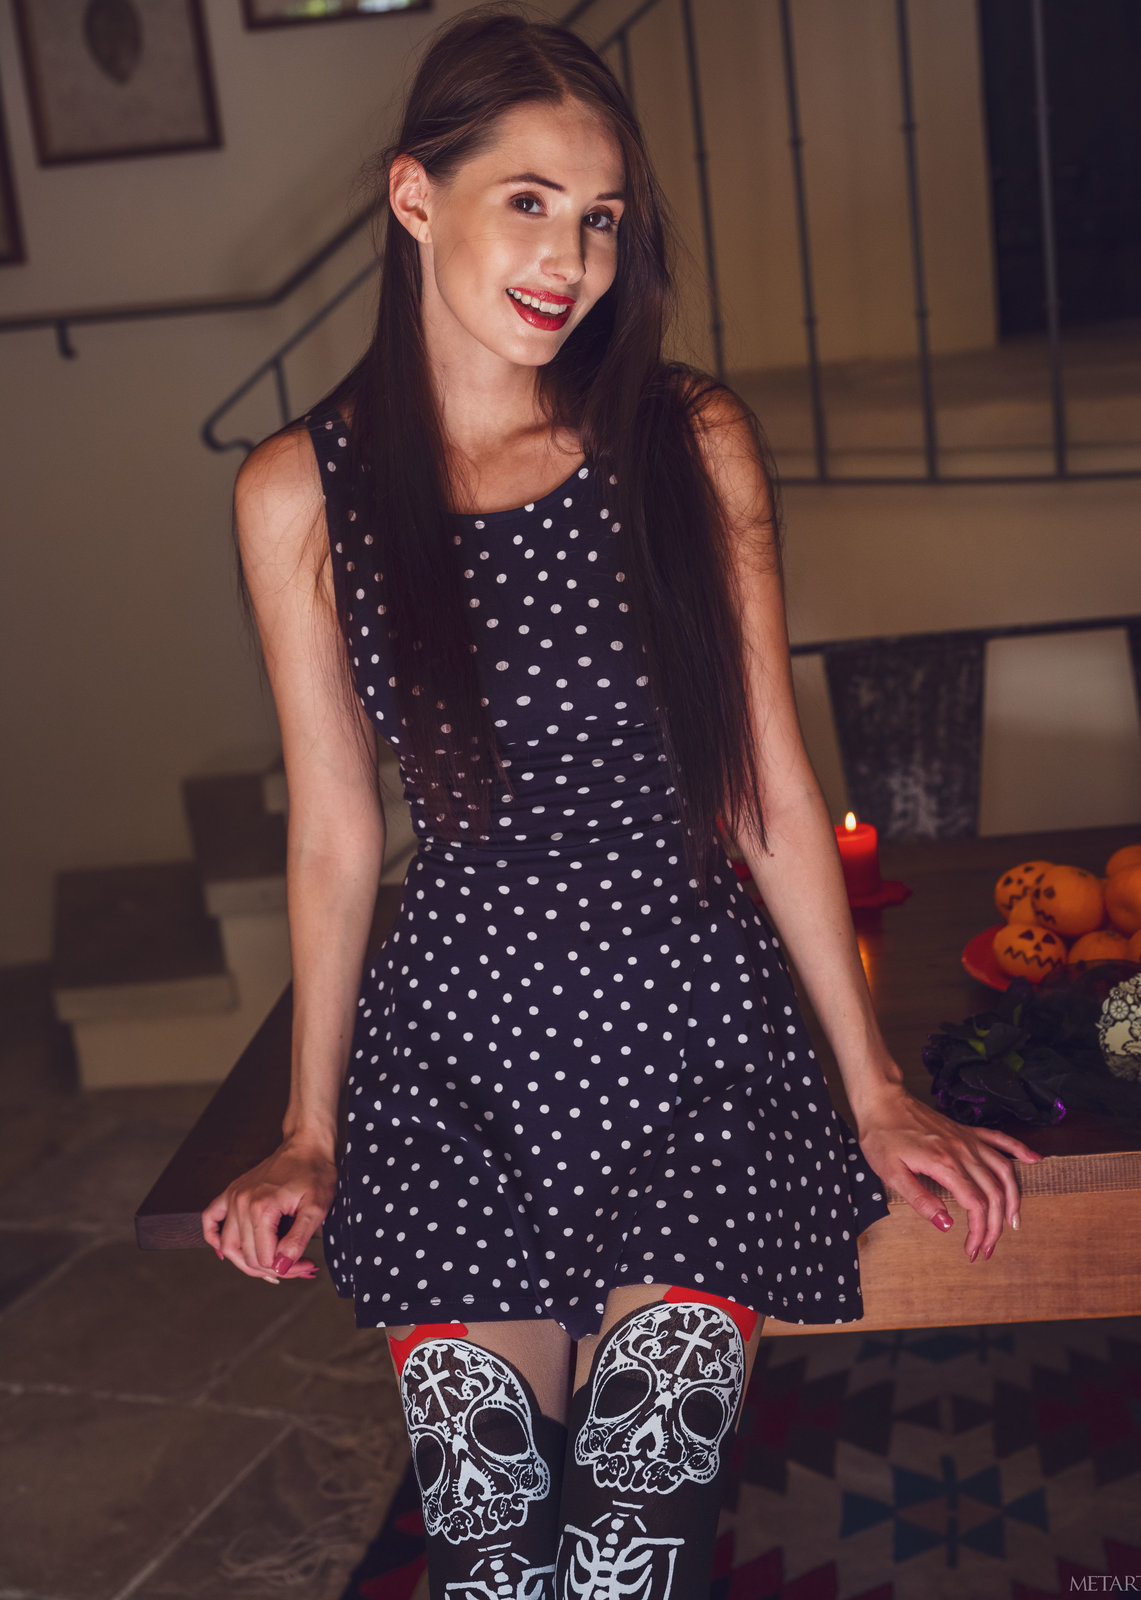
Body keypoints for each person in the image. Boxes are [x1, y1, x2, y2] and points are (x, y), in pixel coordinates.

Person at [202, 9, 1041, 1595]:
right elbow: (336, 826)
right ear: (413, 195)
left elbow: (767, 781)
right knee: (494, 1565)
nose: (570, 258)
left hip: (692, 1040)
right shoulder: (299, 490)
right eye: (528, 201)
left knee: (627, 1557)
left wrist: (871, 1088)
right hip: (458, 1062)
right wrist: (310, 1130)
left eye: (600, 219)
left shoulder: (685, 441)